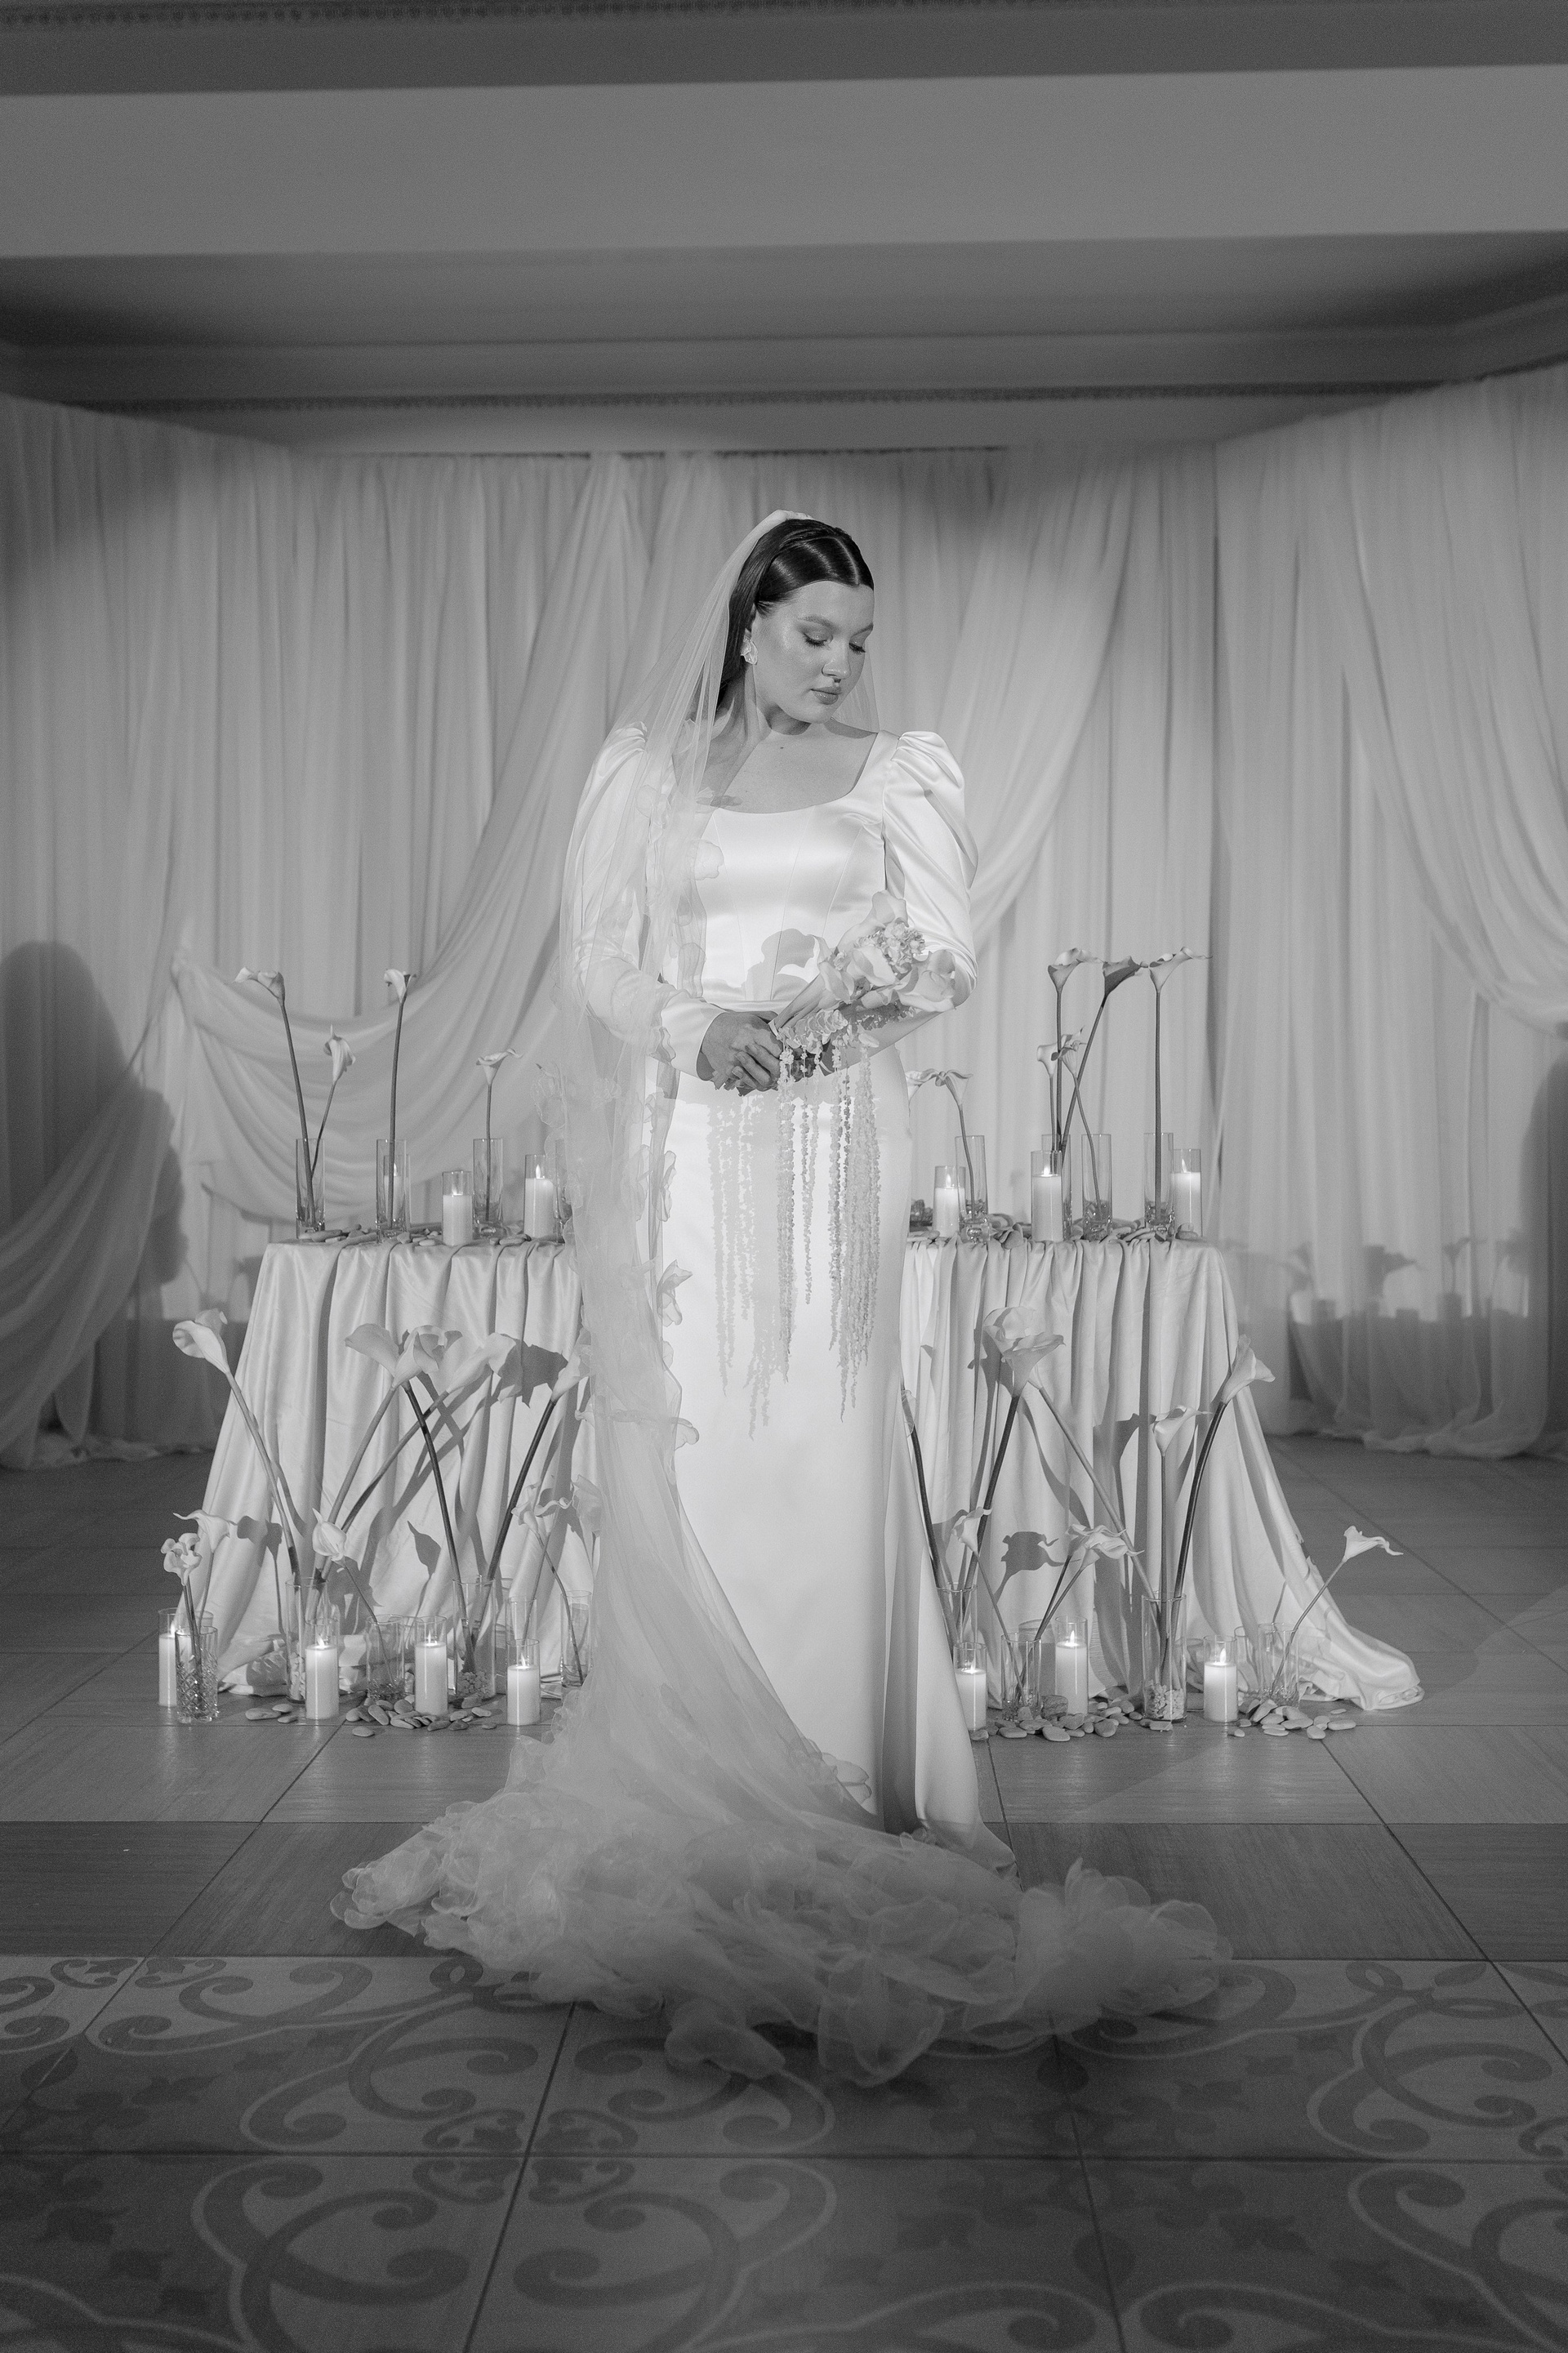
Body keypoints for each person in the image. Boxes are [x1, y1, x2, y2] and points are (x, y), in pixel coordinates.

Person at [338, 515, 1221, 2083]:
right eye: (815, 632)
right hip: (691, 1140)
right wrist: (702, 1029)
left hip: (831, 1139)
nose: (841, 663)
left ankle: (858, 1773)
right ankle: (696, 1775)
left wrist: (810, 1032)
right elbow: (601, 960)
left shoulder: (902, 774)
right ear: (745, 623)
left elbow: (940, 954)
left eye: (859, 639)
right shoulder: (642, 775)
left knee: (828, 1431)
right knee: (704, 1442)